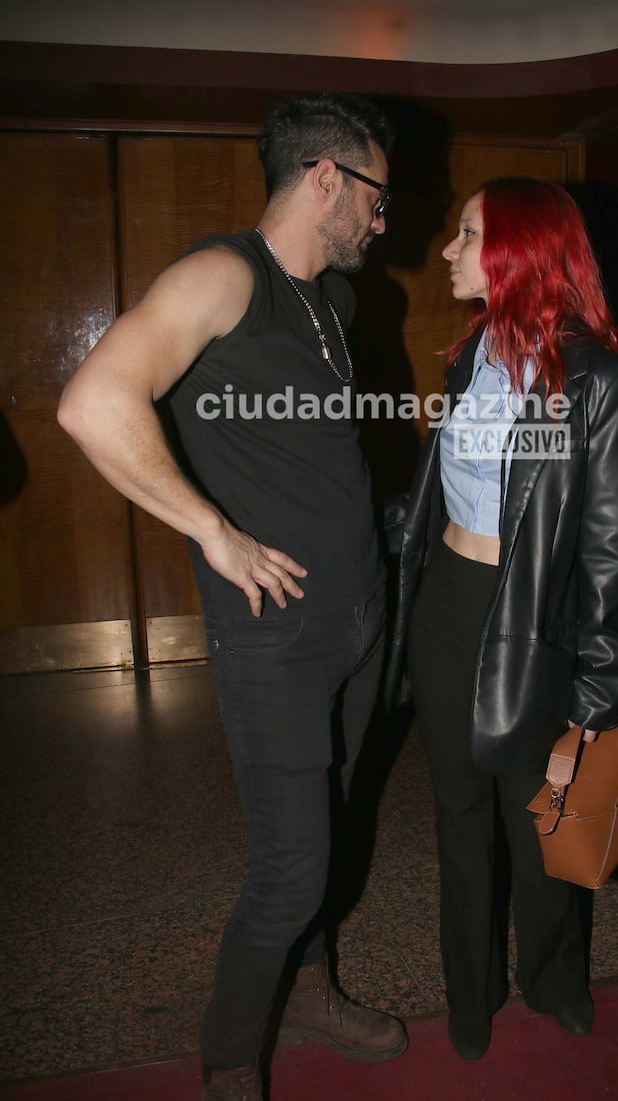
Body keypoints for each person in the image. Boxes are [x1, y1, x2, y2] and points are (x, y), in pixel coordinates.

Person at [57, 92, 407, 1101]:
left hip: (356, 611)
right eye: (375, 198)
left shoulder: (335, 303)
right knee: (292, 862)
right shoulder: (222, 274)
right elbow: (93, 402)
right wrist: (211, 528)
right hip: (273, 633)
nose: (383, 223)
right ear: (325, 178)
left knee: (332, 831)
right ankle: (225, 1061)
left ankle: (309, 985)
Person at [385, 176, 618, 1060]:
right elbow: (440, 486)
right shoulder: (468, 359)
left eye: (465, 234)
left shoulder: (593, 384)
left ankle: (554, 977)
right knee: (458, 815)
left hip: (537, 617)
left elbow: (607, 550)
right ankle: (470, 990)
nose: (448, 251)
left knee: (545, 818)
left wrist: (600, 686)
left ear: (517, 251)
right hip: (448, 604)